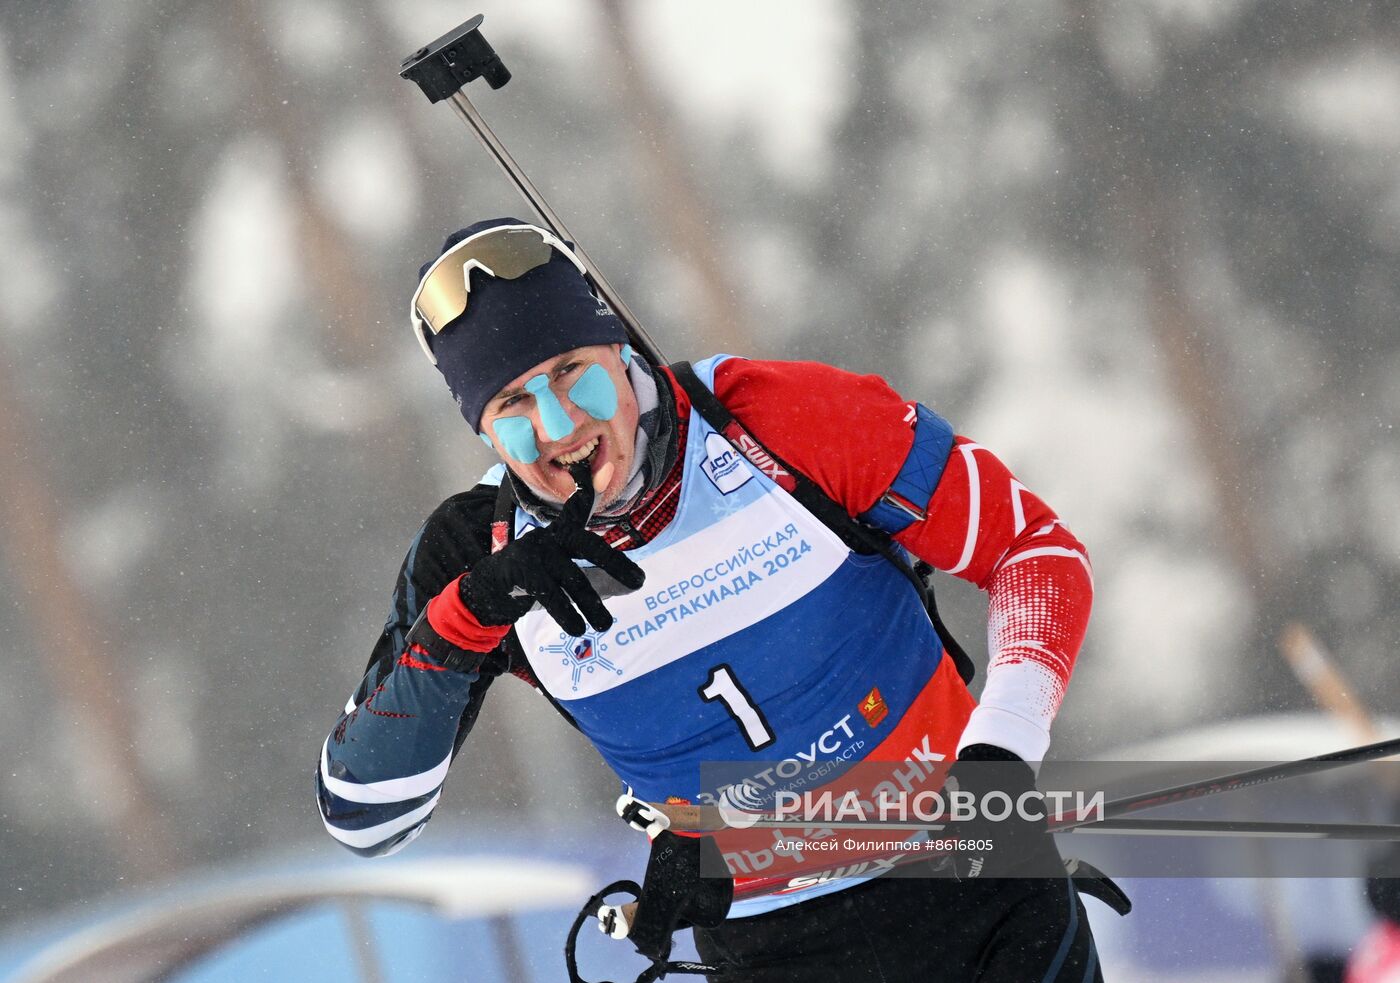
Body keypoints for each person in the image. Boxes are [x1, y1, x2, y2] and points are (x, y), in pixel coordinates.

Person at [316, 218, 1103, 981]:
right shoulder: (475, 551)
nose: (559, 424)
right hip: (770, 953)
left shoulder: (777, 420)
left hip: (980, 894)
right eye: (512, 403)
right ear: (482, 432)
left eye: (568, 371)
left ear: (621, 351)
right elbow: (367, 814)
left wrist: (999, 750)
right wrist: (471, 615)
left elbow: (1033, 551)